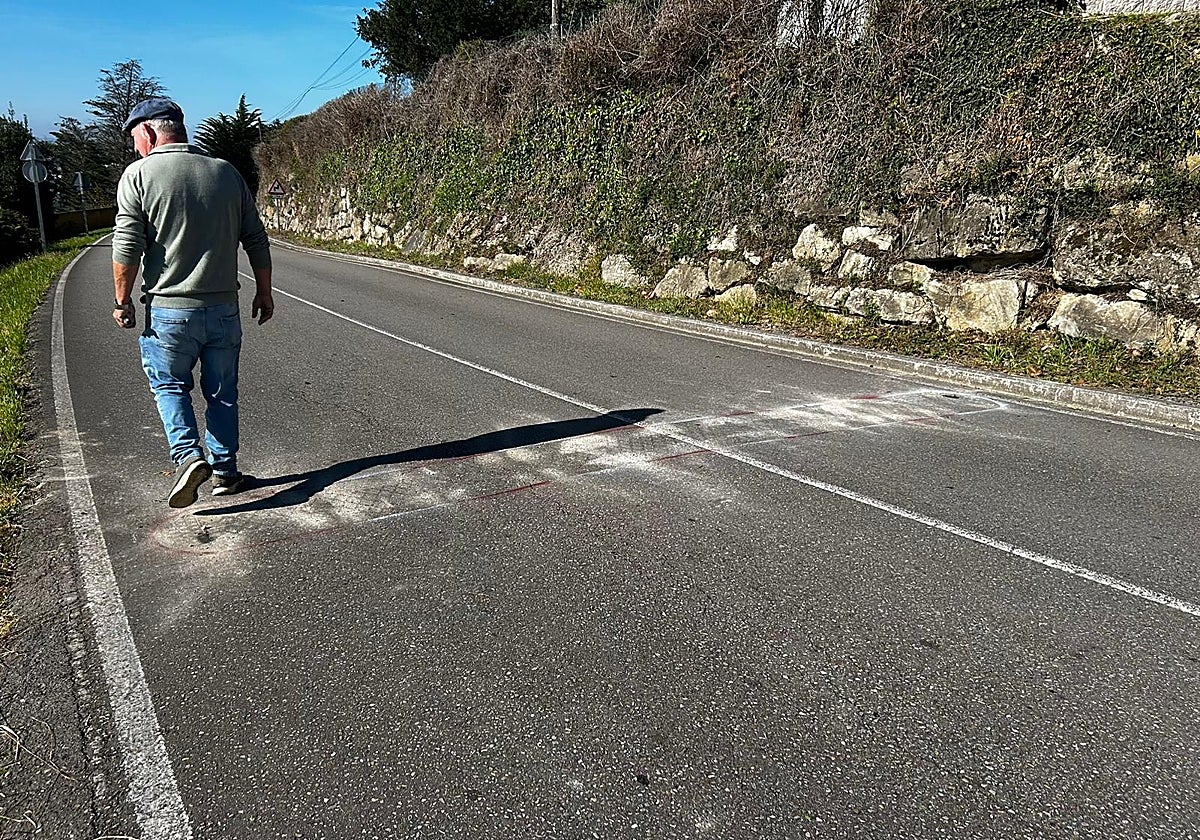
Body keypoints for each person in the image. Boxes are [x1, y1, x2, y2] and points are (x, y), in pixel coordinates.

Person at [111, 98, 274, 508]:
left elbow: (127, 246)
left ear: (148, 132)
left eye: (134, 138)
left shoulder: (139, 175)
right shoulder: (225, 172)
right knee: (223, 393)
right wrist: (264, 291)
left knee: (169, 386)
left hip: (169, 312)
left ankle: (187, 457)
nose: (135, 147)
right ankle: (226, 473)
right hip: (223, 310)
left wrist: (122, 301)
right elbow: (256, 239)